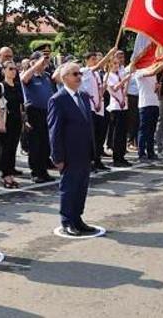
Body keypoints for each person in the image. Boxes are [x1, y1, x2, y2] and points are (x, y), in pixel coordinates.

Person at [47, 62, 98, 236]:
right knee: (69, 187)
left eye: (80, 74)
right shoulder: (58, 99)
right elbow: (54, 130)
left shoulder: (83, 96)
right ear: (65, 77)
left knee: (82, 186)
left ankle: (78, 218)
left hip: (84, 150)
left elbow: (88, 124)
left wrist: (93, 149)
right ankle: (67, 221)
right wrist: (57, 157)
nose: (79, 77)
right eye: (75, 74)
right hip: (69, 153)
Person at [74, 49, 116, 171]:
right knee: (91, 137)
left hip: (99, 107)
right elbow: (98, 67)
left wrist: (102, 89)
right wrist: (109, 54)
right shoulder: (85, 71)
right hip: (90, 107)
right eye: (92, 59)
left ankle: (97, 160)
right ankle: (89, 161)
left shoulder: (97, 74)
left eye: (95, 59)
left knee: (100, 136)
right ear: (86, 61)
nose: (95, 61)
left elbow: (99, 89)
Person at [21, 51, 55, 183]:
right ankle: (35, 172)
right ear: (32, 62)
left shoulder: (46, 76)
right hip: (34, 112)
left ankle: (43, 170)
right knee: (35, 144)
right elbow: (24, 79)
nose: (44, 63)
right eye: (41, 61)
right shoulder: (29, 76)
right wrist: (36, 65)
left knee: (45, 143)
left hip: (47, 111)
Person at [0, 60, 24, 188]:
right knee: (4, 149)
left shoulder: (17, 85)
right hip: (6, 121)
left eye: (15, 69)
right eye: (10, 69)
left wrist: (24, 120)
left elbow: (21, 105)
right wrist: (0, 121)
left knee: (12, 149)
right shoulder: (1, 86)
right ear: (4, 70)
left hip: (16, 121)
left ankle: (11, 174)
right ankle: (5, 176)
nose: (13, 71)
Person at [133, 60, 163, 161]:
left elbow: (157, 93)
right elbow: (153, 71)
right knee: (144, 130)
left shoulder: (154, 75)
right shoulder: (139, 72)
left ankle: (151, 152)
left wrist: (158, 88)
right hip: (145, 104)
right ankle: (141, 153)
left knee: (152, 130)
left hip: (154, 103)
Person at [105, 56, 131, 167]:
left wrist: (127, 83)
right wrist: (124, 81)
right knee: (117, 133)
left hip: (123, 106)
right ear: (109, 65)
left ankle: (122, 155)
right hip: (115, 106)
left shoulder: (119, 75)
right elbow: (113, 89)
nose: (117, 65)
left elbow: (124, 91)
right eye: (114, 63)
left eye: (118, 64)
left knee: (123, 133)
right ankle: (116, 158)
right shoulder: (108, 76)